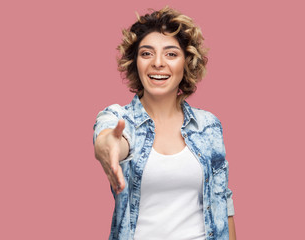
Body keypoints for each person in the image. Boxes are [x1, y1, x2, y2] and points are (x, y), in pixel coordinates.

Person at [93, 6, 236, 240]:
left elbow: (223, 201)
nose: (158, 63)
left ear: (186, 63)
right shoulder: (118, 119)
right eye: (146, 53)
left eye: (171, 54)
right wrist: (108, 147)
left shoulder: (208, 125)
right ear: (135, 63)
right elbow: (109, 140)